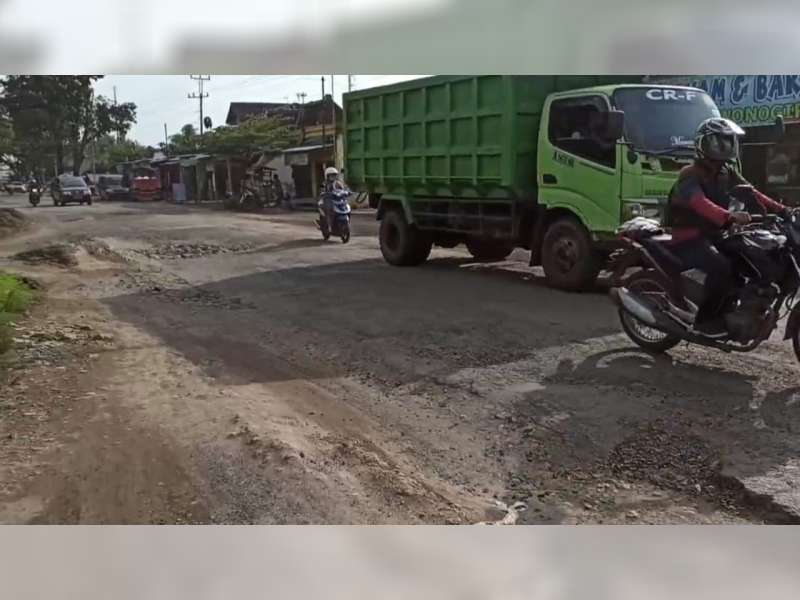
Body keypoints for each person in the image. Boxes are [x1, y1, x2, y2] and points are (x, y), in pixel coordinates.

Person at [666, 117, 789, 333]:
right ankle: (704, 321)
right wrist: (729, 216)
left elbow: (752, 192)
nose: (724, 147)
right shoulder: (689, 174)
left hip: (715, 233)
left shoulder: (726, 171)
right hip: (688, 237)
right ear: (704, 144)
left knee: (748, 259)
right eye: (718, 142)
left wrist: (782, 210)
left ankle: (736, 310)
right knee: (722, 268)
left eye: (728, 141)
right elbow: (699, 203)